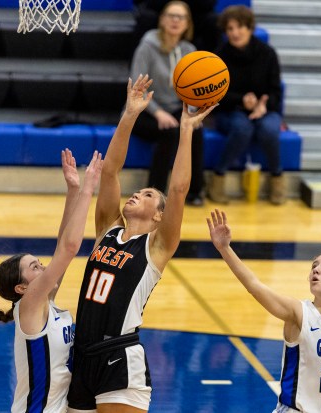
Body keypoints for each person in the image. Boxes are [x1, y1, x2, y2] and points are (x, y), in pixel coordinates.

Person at [67, 75, 215, 413]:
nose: (136, 193)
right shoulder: (107, 229)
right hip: (82, 354)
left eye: (147, 194)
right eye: (139, 191)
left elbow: (178, 189)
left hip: (119, 357)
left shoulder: (157, 246)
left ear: (160, 216)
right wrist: (130, 113)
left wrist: (187, 131)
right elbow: (110, 172)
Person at [0, 149, 103, 413]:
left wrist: (73, 190)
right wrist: (89, 190)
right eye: (35, 267)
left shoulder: (44, 305)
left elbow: (62, 243)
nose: (44, 267)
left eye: (40, 263)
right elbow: (70, 248)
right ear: (22, 288)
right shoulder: (29, 306)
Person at [207, 209, 321, 413]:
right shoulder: (299, 313)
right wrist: (225, 249)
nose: (316, 269)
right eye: (314, 266)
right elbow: (254, 286)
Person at [128, 1, 206, 206]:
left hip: (174, 110)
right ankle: (154, 194)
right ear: (162, 20)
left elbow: (193, 91)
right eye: (171, 15)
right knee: (171, 132)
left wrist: (191, 113)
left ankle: (195, 191)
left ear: (187, 23)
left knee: (194, 130)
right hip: (142, 111)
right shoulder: (147, 46)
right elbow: (137, 89)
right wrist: (158, 113)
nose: (175, 20)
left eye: (180, 17)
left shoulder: (190, 50)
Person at [209, 5, 286, 205]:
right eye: (230, 29)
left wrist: (263, 106)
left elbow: (276, 91)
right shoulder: (219, 55)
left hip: (264, 110)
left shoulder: (267, 53)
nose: (235, 33)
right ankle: (218, 177)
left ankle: (277, 178)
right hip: (230, 110)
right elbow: (215, 96)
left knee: (269, 128)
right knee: (242, 128)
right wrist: (240, 101)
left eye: (239, 27)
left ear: (250, 28)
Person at [132, 0, 221, 53]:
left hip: (194, 14)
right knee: (146, 18)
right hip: (160, 11)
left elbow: (209, 3)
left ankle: (212, 68)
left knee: (212, 21)